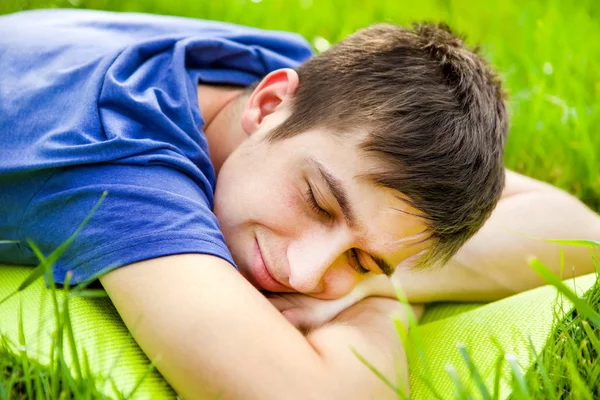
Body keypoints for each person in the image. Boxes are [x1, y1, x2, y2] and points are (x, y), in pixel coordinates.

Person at [0, 8, 598, 400]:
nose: (304, 274)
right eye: (318, 203)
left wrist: (383, 284)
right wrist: (377, 314)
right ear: (268, 104)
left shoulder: (307, 97)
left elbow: (580, 234)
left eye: (363, 259)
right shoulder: (122, 160)